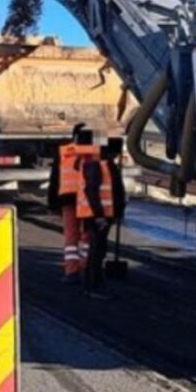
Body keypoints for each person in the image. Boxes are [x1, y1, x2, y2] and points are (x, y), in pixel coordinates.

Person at [77, 138, 127, 297]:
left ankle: (94, 284)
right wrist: (99, 216)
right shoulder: (96, 165)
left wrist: (118, 210)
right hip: (97, 217)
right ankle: (93, 286)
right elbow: (92, 191)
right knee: (96, 251)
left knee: (99, 250)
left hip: (105, 215)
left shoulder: (107, 165)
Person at [49, 124, 98, 283]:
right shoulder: (95, 153)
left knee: (71, 237)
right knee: (87, 237)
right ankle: (86, 268)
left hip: (67, 200)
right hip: (87, 201)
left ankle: (71, 271)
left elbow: (55, 180)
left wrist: (53, 203)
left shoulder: (64, 153)